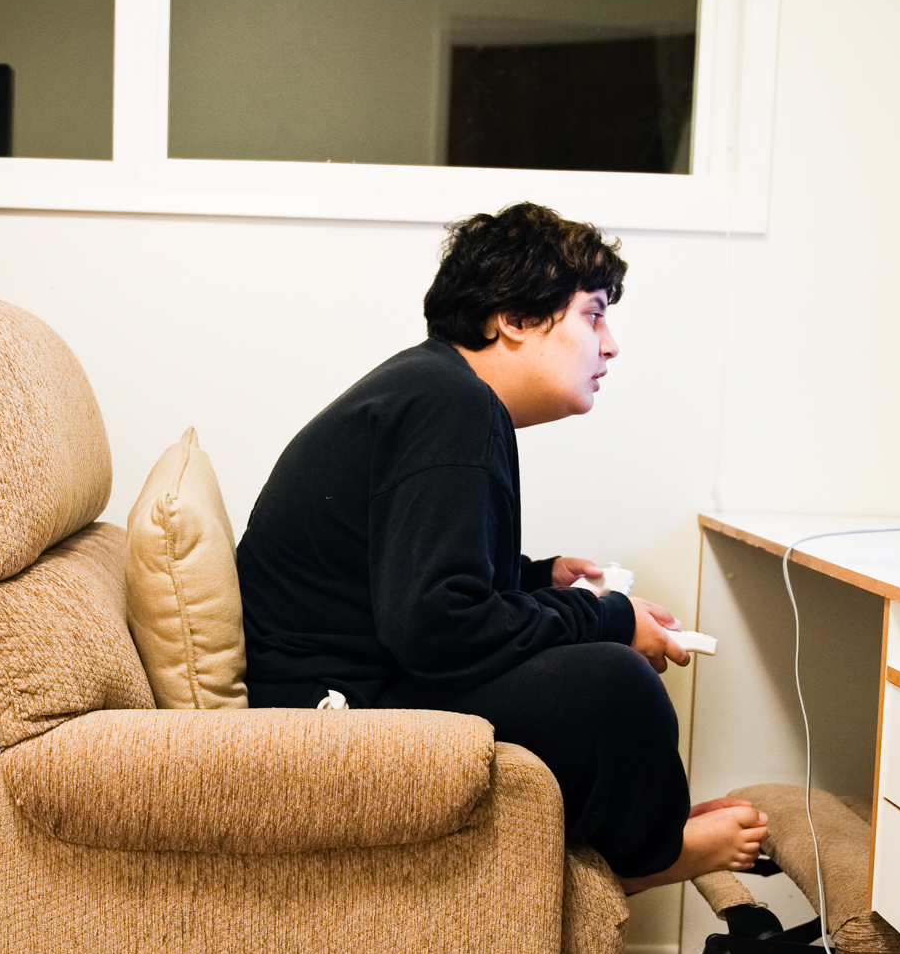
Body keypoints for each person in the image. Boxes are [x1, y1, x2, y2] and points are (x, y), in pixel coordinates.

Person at [235, 203, 768, 893]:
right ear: (512, 319)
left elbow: (409, 573)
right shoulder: (451, 406)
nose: (610, 345)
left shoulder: (435, 390)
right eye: (593, 314)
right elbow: (436, 625)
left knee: (594, 664)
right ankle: (652, 852)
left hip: (353, 683)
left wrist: (538, 576)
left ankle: (646, 831)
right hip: (334, 715)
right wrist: (610, 618)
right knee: (616, 682)